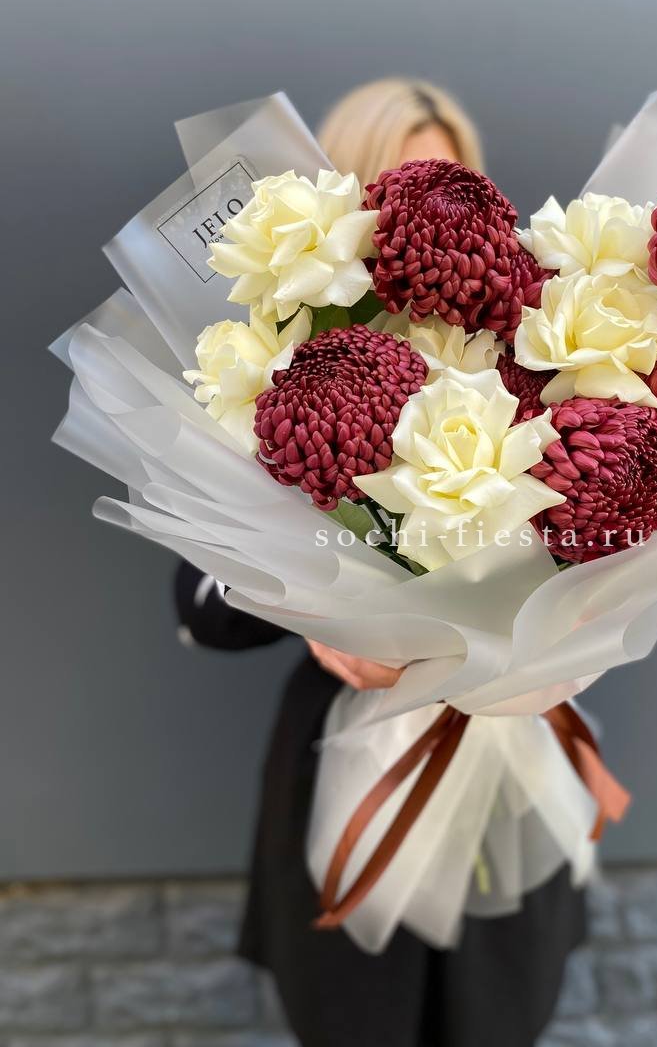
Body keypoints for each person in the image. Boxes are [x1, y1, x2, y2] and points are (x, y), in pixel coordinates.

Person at [175, 77, 586, 1047]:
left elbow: (598, 541)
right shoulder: (285, 360)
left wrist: (559, 630)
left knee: (500, 1007)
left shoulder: (531, 347)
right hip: (344, 758)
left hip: (500, 754)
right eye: (401, 183)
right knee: (354, 1011)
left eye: (453, 181)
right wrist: (318, 613)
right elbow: (199, 607)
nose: (431, 212)